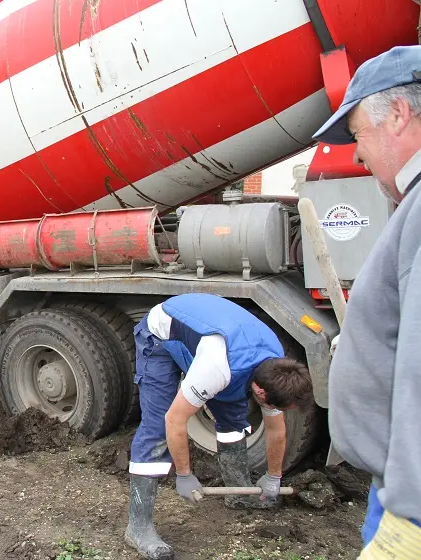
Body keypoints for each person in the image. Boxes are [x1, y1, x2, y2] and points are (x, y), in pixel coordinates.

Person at [312, 45, 421, 558]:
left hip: (408, 502)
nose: (357, 154)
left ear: (398, 115)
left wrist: (409, 518)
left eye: (357, 135)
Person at [126, 293, 312, 559]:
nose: (277, 411)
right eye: (276, 406)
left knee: (234, 418)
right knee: (157, 429)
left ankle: (238, 494)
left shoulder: (275, 363)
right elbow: (175, 420)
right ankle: (138, 528)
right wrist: (184, 475)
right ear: (260, 392)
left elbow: (275, 429)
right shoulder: (217, 368)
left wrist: (273, 476)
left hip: (217, 343)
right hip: (161, 333)